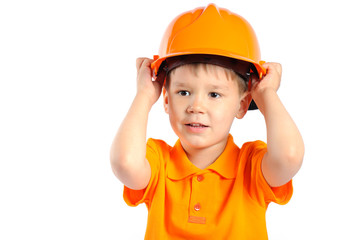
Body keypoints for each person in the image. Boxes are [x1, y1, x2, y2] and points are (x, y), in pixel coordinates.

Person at [110, 3, 304, 239]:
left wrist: (267, 95)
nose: (196, 107)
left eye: (214, 94)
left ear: (243, 104)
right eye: (183, 92)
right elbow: (124, 163)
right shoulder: (158, 163)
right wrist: (144, 95)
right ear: (166, 99)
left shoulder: (250, 167)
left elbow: (289, 157)